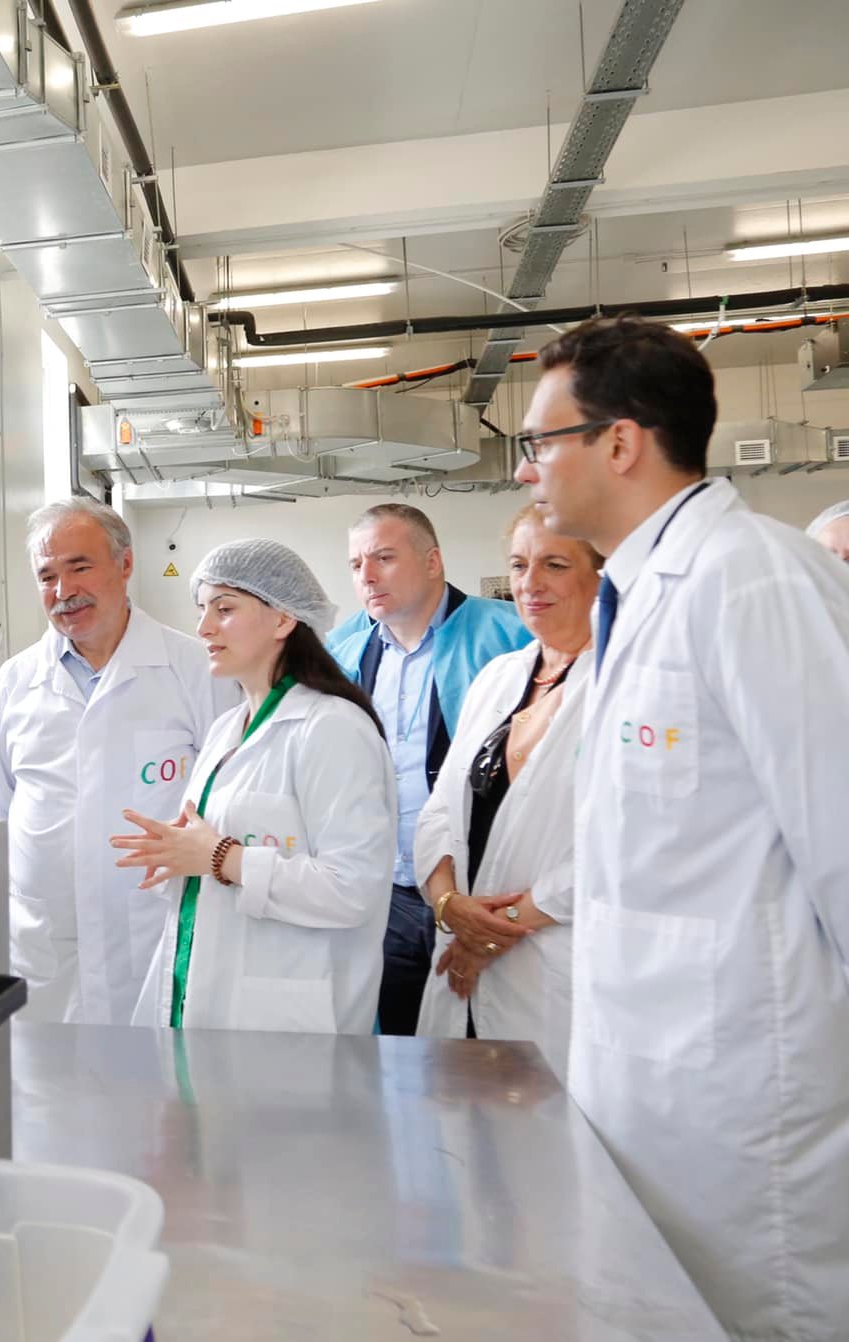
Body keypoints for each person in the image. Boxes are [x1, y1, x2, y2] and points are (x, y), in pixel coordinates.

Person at [515, 313, 849, 1339]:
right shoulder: (634, 593)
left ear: (619, 442)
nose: (525, 468)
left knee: (758, 1315)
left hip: (747, 1085)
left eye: (539, 441)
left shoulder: (751, 577)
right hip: (646, 1072)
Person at [116, 539, 396, 1034]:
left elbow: (354, 890)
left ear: (284, 618)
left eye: (224, 609)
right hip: (205, 994)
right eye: (202, 610)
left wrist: (222, 857)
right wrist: (175, 853)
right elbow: (208, 857)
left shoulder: (332, 727)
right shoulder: (227, 729)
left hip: (289, 1019)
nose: (203, 628)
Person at [0, 496, 235, 1024]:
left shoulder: (193, 670)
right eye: (47, 576)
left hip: (153, 933)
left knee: (156, 1072)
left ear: (125, 564)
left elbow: (228, 800)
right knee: (47, 1073)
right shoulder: (13, 684)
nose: (63, 591)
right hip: (46, 948)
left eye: (80, 567)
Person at [412, 505, 600, 1075]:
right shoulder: (499, 676)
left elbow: (626, 845)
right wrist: (450, 905)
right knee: (459, 1118)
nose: (530, 583)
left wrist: (493, 931)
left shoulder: (623, 683)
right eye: (519, 565)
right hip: (460, 960)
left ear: (603, 575)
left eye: (555, 565)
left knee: (552, 1123)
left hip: (556, 965)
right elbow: (439, 811)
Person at [329, 504, 530, 1035]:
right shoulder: (344, 652)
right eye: (356, 564)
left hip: (482, 889)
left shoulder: (509, 637)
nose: (367, 576)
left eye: (384, 558)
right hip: (386, 892)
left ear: (433, 561)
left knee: (489, 1044)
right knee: (395, 1045)